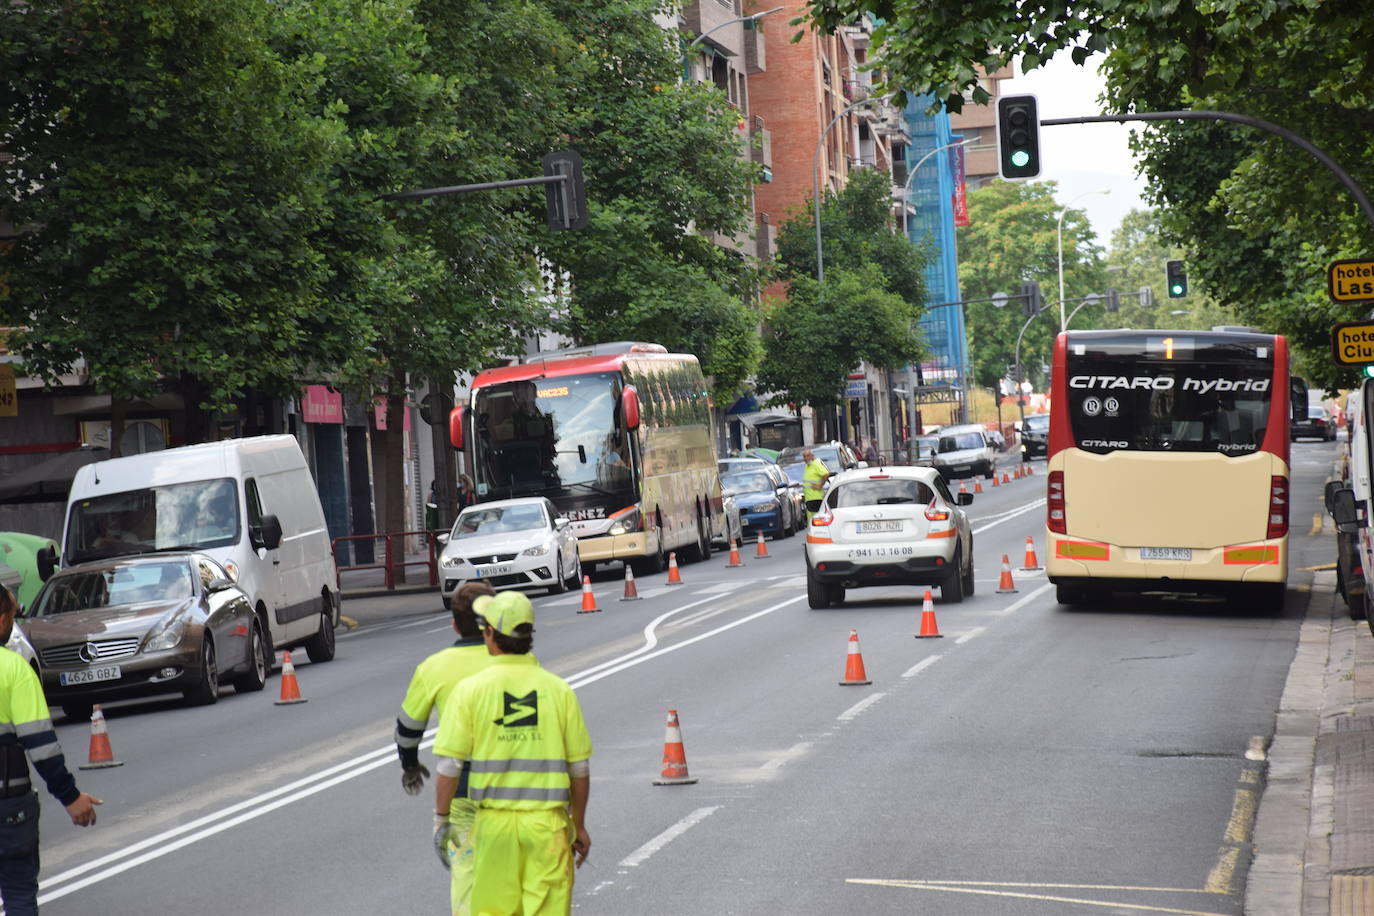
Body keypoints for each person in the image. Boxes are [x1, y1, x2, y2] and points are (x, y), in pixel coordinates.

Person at [432, 591, 592, 916]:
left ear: (489, 634)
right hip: (548, 828)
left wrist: (441, 819)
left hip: (493, 828)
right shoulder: (558, 690)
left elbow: (450, 765)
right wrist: (579, 824)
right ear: (530, 635)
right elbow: (579, 768)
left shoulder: (471, 690)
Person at [394, 581, 499, 916]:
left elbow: (408, 731)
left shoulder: (433, 667)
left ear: (454, 624)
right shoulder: (516, 662)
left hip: (463, 788)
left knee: (467, 872)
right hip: (516, 783)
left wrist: (410, 765)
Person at [0, 584, 101, 916]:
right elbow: (41, 745)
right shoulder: (14, 670)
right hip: (7, 806)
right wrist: (70, 797)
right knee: (17, 895)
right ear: (2, 620)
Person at [801, 448, 832, 520]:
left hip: (816, 498)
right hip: (809, 499)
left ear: (812, 456)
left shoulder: (815, 464)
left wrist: (820, 485)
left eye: (808, 456)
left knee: (818, 520)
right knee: (812, 520)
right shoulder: (807, 466)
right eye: (804, 456)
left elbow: (825, 474)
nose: (806, 458)